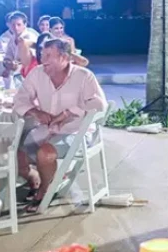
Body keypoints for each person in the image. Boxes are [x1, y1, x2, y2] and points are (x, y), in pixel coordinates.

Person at [13, 38, 107, 211]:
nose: (43, 59)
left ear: (64, 57)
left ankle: (45, 191)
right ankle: (39, 179)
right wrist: (36, 112)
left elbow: (99, 105)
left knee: (45, 153)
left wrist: (69, 113)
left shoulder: (83, 76)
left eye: (49, 55)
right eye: (41, 54)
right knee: (17, 151)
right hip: (48, 129)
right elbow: (19, 99)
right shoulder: (37, 73)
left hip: (77, 131)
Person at [2, 12, 38, 84]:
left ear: (25, 25)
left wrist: (17, 65)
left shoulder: (30, 37)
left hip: (31, 74)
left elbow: (32, 60)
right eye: (13, 25)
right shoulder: (12, 38)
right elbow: (8, 55)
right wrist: (8, 63)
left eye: (19, 24)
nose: (15, 27)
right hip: (17, 74)